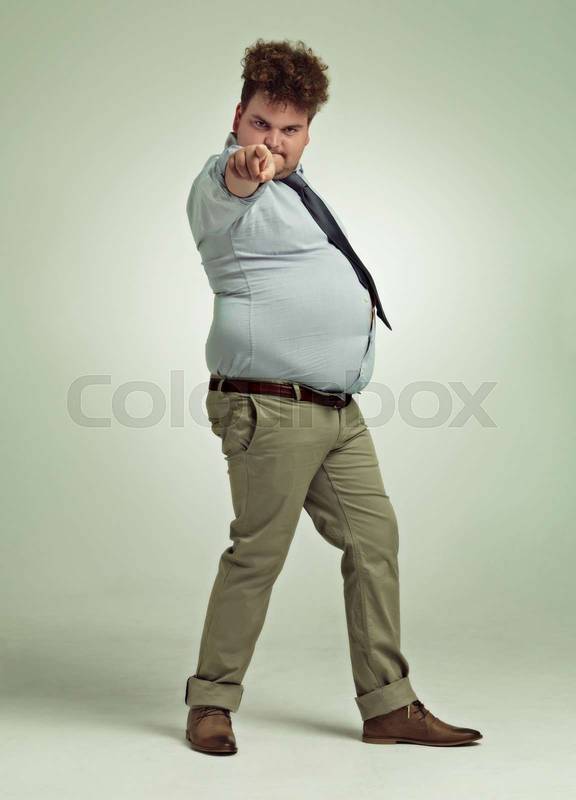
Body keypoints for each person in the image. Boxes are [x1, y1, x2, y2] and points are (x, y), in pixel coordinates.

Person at [183, 38, 482, 755]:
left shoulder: (299, 195)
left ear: (309, 131)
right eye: (261, 124)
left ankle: (388, 706)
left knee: (375, 541)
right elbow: (232, 182)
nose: (273, 142)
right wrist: (243, 168)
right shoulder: (224, 186)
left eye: (290, 129)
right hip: (270, 407)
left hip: (337, 413)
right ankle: (211, 703)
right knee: (259, 553)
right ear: (238, 117)